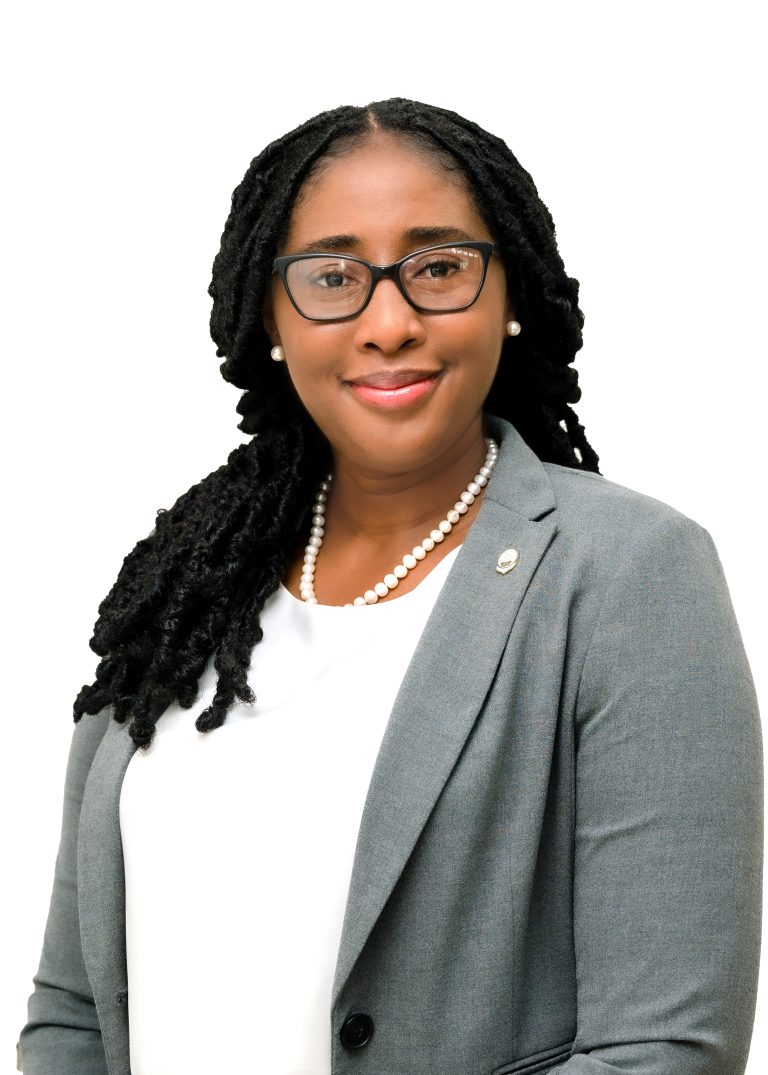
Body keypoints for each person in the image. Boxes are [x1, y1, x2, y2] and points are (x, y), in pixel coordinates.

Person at [18, 98, 762, 1075]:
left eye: (438, 268)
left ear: (510, 291)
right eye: (333, 277)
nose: (389, 323)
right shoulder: (179, 592)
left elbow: (661, 1049)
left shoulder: (628, 574)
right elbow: (73, 1010)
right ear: (271, 316)